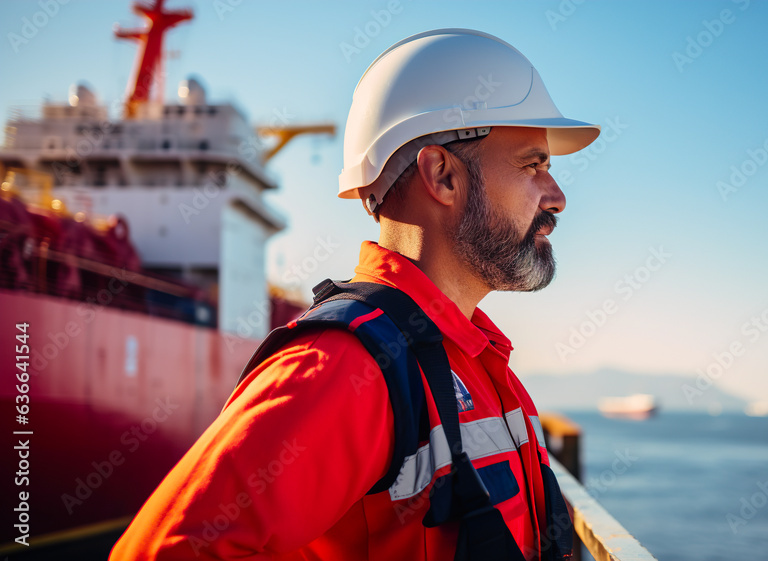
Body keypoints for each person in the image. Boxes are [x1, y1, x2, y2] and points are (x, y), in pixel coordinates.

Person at [110, 28, 600, 560]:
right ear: (442, 175)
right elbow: (163, 551)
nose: (557, 197)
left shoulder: (478, 355)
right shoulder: (349, 366)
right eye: (534, 165)